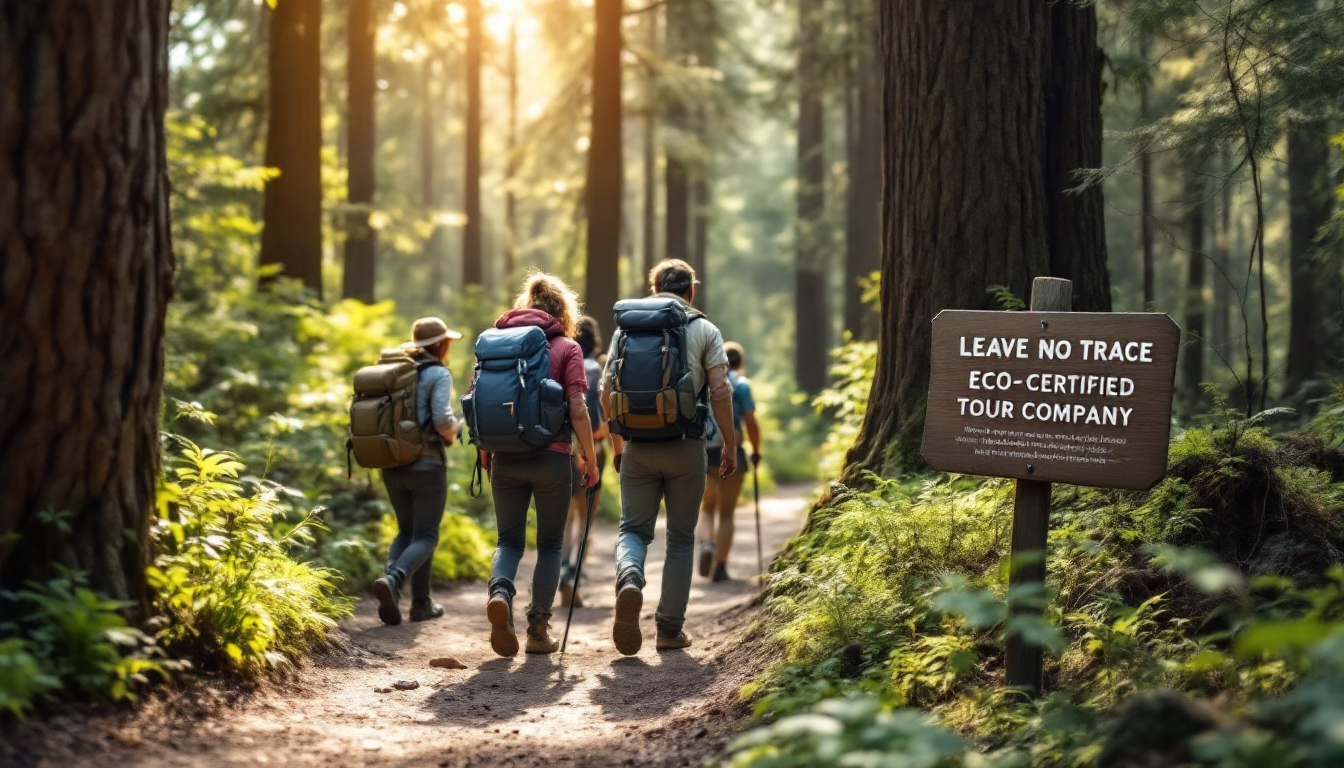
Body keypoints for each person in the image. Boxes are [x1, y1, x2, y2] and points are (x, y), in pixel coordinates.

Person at [602, 259, 737, 654]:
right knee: (680, 538)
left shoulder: (626, 329)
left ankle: (629, 578)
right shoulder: (705, 329)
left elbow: (605, 391)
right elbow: (720, 391)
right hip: (685, 446)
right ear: (691, 291)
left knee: (632, 530)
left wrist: (619, 445)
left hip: (638, 447)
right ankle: (668, 629)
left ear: (654, 288)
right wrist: (730, 444)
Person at [479, 274, 600, 657]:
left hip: (504, 456)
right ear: (563, 312)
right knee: (549, 545)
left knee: (508, 541)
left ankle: (500, 593)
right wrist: (590, 457)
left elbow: (478, 402)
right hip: (552, 457)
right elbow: (578, 408)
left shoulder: (494, 344)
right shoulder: (567, 347)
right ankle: (537, 630)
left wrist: (485, 450)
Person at [371, 317, 463, 626]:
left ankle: (421, 603)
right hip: (426, 465)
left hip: (391, 462)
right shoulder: (438, 372)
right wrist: (458, 428)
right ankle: (394, 579)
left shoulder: (395, 372)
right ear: (438, 345)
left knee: (407, 531)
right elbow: (442, 421)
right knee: (426, 534)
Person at [558, 316, 620, 608]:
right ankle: (574, 572)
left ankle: (563, 568)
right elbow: (601, 422)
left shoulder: (559, 363)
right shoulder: (596, 368)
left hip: (562, 450)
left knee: (567, 515)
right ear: (595, 340)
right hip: (592, 450)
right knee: (586, 518)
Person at [696, 341, 762, 582]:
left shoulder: (705, 383)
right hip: (732, 453)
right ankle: (720, 567)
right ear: (740, 362)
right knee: (726, 513)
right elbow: (751, 422)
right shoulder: (741, 386)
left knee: (706, 507)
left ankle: (707, 544)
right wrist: (756, 450)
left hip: (704, 453)